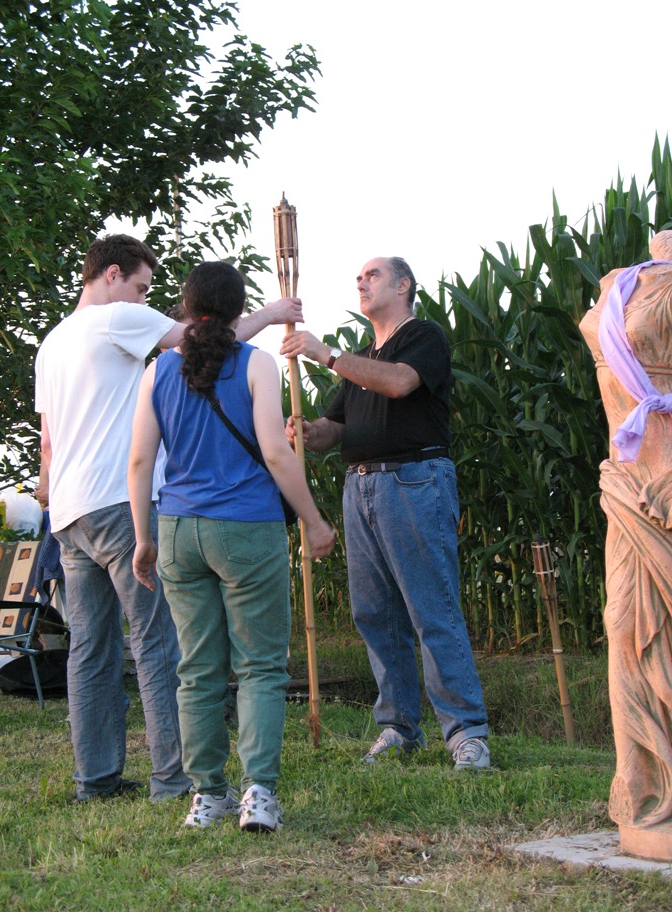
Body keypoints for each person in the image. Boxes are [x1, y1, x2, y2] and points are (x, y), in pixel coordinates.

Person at [35, 233, 304, 802]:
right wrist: (272, 312)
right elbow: (206, 343)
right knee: (158, 643)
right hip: (118, 501)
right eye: (140, 287)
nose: (144, 299)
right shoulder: (116, 318)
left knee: (90, 649)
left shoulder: (52, 342)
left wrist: (52, 495)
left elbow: (48, 443)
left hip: (69, 510)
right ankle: (174, 778)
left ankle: (95, 779)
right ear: (111, 275)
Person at [128, 261, 335, 832]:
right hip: (246, 527)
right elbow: (275, 452)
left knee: (196, 669)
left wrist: (143, 538)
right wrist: (314, 521)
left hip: (177, 530)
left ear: (187, 307)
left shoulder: (157, 371)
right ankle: (259, 793)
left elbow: (141, 460)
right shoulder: (256, 363)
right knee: (260, 666)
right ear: (241, 308)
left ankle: (207, 796)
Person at [280, 256, 490, 769]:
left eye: (372, 275)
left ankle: (466, 732)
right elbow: (336, 427)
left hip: (413, 480)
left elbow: (398, 383)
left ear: (403, 285)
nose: (361, 281)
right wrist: (309, 432)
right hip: (361, 486)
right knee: (375, 614)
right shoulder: (360, 359)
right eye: (359, 277)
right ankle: (398, 728)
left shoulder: (423, 336)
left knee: (431, 608)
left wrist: (326, 355)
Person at [580, 231, 672, 859]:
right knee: (623, 624)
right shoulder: (623, 279)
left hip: (665, 480)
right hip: (627, 477)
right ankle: (644, 788)